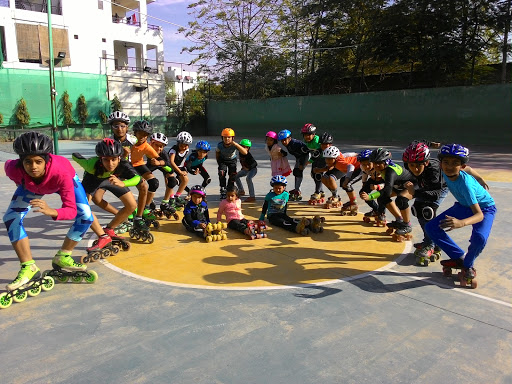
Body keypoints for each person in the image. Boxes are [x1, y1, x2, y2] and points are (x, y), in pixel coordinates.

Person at [2, 132, 98, 294]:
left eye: (39, 162)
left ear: (46, 160)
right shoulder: (12, 168)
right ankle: (28, 267)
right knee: (11, 217)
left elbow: (71, 210)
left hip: (60, 181)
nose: (33, 167)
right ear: (21, 162)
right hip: (32, 186)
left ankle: (64, 256)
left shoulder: (62, 173)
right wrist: (26, 185)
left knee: (86, 216)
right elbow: (16, 176)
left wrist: (52, 211)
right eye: (28, 162)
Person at [425, 144, 496, 283]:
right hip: (464, 205)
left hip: (485, 208)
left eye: (455, 163)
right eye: (446, 162)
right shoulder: (446, 171)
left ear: (461, 166)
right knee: (431, 227)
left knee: (480, 238)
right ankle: (459, 257)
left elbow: (479, 215)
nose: (449, 166)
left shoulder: (465, 185)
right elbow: (469, 169)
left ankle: (468, 265)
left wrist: (460, 223)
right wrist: (480, 178)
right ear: (441, 164)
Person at [73, 138, 139, 253]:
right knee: (84, 210)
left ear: (119, 157)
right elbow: (76, 156)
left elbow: (137, 178)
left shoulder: (123, 163)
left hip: (111, 179)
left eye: (114, 159)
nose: (110, 164)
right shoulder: (90, 164)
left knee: (132, 205)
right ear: (100, 159)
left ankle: (109, 229)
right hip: (92, 180)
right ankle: (103, 236)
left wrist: (123, 183)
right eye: (106, 160)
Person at [402, 142, 448, 264]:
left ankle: (431, 244)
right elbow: (417, 142)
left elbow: (435, 194)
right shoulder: (409, 166)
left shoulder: (433, 170)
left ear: (426, 163)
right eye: (411, 165)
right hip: (425, 185)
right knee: (417, 209)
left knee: (427, 211)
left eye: (418, 166)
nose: (415, 169)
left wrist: (414, 192)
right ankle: (430, 241)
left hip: (440, 187)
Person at [361, 148, 416, 238]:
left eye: (379, 163)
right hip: (400, 186)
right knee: (382, 198)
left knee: (401, 200)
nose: (376, 166)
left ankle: (407, 224)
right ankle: (399, 220)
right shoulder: (383, 170)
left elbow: (387, 191)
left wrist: (370, 197)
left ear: (386, 162)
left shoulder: (390, 171)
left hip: (412, 185)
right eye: (374, 163)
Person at [129, 120, 163, 228]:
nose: (143, 137)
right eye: (140, 133)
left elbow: (161, 159)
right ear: (135, 133)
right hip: (127, 166)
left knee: (154, 183)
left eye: (145, 135)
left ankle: (146, 208)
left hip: (138, 165)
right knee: (139, 186)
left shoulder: (146, 146)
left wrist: (159, 162)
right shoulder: (128, 142)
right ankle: (130, 210)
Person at [315, 146, 361, 213]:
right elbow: (347, 154)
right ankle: (336, 196)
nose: (327, 161)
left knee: (346, 184)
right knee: (324, 178)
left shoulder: (340, 163)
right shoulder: (336, 158)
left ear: (335, 158)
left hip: (358, 168)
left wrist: (347, 179)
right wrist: (355, 154)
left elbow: (351, 167)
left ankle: (353, 203)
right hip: (347, 167)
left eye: (330, 159)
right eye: (326, 159)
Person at [278, 129, 310, 201]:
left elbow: (306, 153)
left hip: (305, 157)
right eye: (282, 140)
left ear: (289, 138)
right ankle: (297, 189)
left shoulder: (296, 144)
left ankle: (298, 191)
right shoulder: (288, 144)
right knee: (296, 172)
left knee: (298, 172)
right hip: (299, 158)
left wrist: (302, 164)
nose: (283, 142)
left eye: (284, 140)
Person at [216, 128, 247, 200]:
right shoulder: (220, 145)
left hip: (232, 161)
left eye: (229, 137)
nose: (227, 139)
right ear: (222, 138)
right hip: (223, 160)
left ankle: (230, 189)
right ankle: (223, 189)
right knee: (222, 172)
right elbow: (217, 153)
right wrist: (219, 163)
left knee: (232, 175)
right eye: (225, 137)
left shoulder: (234, 145)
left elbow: (245, 152)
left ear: (233, 138)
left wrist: (236, 144)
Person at [167, 131, 192, 206]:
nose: (184, 147)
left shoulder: (186, 150)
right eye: (182, 145)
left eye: (186, 145)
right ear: (178, 144)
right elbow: (171, 162)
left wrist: (184, 170)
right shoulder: (173, 150)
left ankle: (177, 196)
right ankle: (171, 198)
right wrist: (180, 172)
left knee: (185, 179)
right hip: (168, 166)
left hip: (177, 165)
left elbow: (181, 161)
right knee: (170, 181)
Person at [301, 123, 324, 201]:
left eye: (309, 135)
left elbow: (318, 152)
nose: (307, 137)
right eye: (305, 135)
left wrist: (310, 160)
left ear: (314, 134)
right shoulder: (306, 141)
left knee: (317, 175)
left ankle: (317, 192)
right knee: (313, 174)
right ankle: (321, 191)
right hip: (316, 159)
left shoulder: (317, 140)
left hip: (323, 158)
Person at [357, 149, 381, 221]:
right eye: (364, 164)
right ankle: (376, 209)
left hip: (382, 181)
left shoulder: (379, 167)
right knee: (363, 193)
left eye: (368, 164)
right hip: (373, 179)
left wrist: (378, 186)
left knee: (382, 196)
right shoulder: (362, 167)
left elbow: (387, 182)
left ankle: (381, 213)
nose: (367, 166)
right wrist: (364, 183)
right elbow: (365, 174)